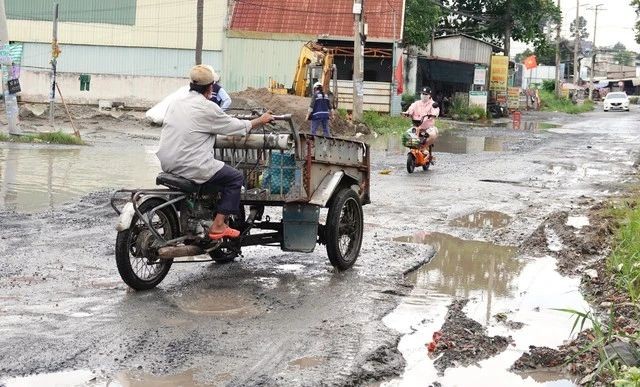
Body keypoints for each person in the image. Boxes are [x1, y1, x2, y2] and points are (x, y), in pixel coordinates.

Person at [156, 64, 273, 240]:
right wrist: (260, 120)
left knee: (214, 175)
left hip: (168, 162)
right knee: (235, 178)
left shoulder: (176, 103)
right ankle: (218, 226)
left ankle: (198, 217)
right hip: (192, 165)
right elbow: (236, 127)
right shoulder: (207, 107)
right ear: (210, 87)